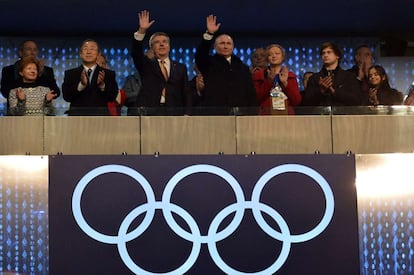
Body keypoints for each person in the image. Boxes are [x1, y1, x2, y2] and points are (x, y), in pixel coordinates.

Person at [194, 14, 258, 114]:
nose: (225, 46)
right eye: (222, 43)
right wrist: (209, 34)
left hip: (239, 117)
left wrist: (252, 115)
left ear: (233, 47)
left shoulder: (242, 68)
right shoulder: (208, 63)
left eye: (228, 44)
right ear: (215, 47)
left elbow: (250, 93)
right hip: (215, 115)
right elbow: (200, 55)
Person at [131, 10, 190, 115]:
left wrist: (187, 113)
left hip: (174, 112)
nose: (161, 44)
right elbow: (136, 53)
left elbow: (186, 91)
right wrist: (141, 31)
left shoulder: (181, 67)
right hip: (149, 112)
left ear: (169, 46)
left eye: (164, 42)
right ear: (152, 48)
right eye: (157, 42)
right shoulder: (146, 65)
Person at [62, 39, 118, 115]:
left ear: (98, 54)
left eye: (92, 49)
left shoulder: (108, 74)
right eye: (85, 49)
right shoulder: (70, 74)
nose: (88, 52)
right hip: (77, 118)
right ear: (80, 54)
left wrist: (102, 85)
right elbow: (66, 97)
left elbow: (112, 97)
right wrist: (81, 85)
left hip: (100, 118)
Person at [1, 40, 60, 106]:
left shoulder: (46, 70)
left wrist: (40, 73)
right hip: (17, 111)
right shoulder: (9, 70)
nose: (32, 53)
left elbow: (55, 93)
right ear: (21, 52)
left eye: (35, 50)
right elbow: (5, 92)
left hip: (42, 112)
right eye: (29, 49)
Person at [302, 42, 362, 107]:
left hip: (342, 115)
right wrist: (321, 91)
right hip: (320, 115)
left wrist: (334, 92)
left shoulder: (349, 77)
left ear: (337, 56)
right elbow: (306, 102)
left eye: (329, 52)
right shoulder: (314, 78)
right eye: (323, 53)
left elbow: (356, 100)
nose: (325, 55)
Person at [252, 44, 301, 114]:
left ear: (282, 57)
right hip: (265, 115)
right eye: (270, 54)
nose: (274, 56)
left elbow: (296, 101)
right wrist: (269, 82)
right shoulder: (258, 76)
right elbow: (255, 99)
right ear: (267, 58)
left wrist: (285, 84)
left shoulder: (290, 76)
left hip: (286, 115)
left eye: (277, 54)